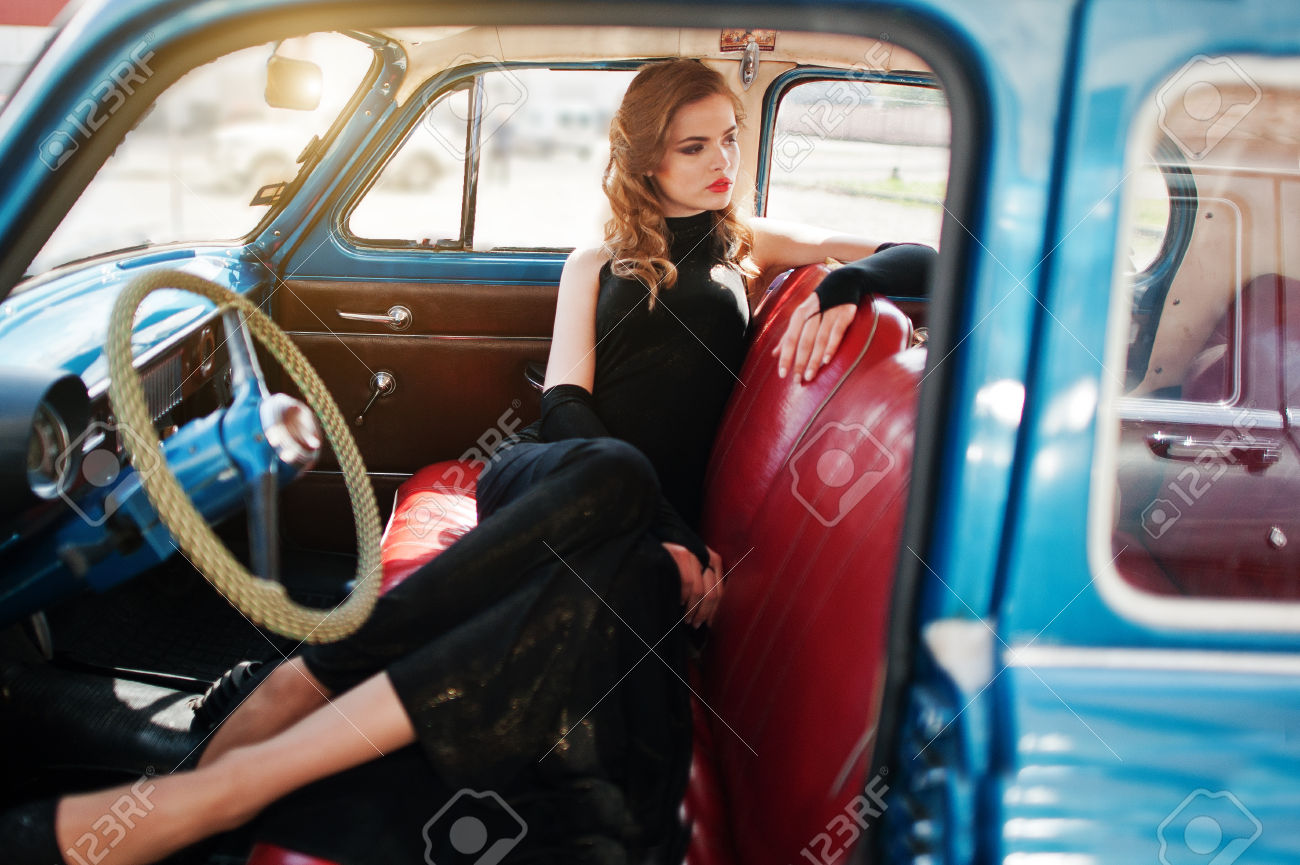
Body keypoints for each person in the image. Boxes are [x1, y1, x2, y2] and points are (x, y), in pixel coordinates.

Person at [3, 58, 932, 864]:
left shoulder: (748, 244)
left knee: (615, 588)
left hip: (635, 540)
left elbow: (929, 251)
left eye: (729, 138)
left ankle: (240, 775)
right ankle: (303, 680)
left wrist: (849, 283)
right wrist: (666, 522)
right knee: (616, 473)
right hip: (554, 478)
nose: (723, 160)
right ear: (648, 158)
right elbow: (564, 402)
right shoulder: (594, 259)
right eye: (695, 146)